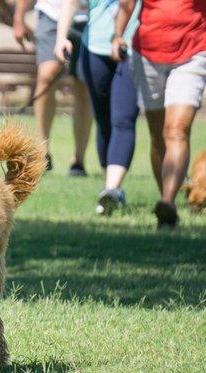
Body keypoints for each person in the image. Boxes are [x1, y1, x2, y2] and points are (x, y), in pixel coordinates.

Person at [112, 0, 206, 228]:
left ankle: (167, 201)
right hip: (147, 53)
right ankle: (167, 199)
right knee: (157, 136)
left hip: (193, 51)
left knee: (176, 130)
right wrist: (117, 36)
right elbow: (126, 3)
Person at [55, 0, 140, 215]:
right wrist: (61, 37)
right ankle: (111, 188)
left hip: (131, 47)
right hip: (94, 47)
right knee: (103, 121)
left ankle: (111, 187)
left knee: (123, 118)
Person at [13, 0, 93, 176]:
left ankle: (78, 160)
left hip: (88, 17)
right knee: (46, 75)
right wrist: (19, 17)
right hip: (50, 14)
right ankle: (43, 151)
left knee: (83, 87)